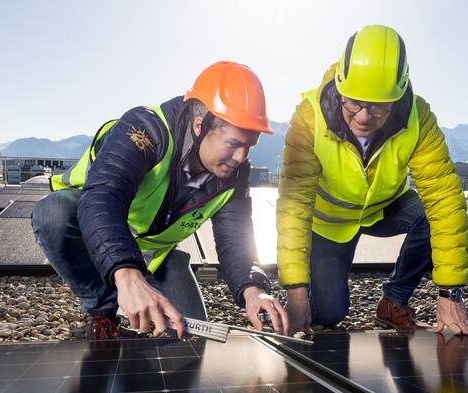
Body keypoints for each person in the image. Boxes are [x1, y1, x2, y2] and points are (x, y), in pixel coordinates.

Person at [32, 61, 288, 339]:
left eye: (249, 146)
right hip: (95, 230)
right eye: (233, 144)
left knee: (188, 337)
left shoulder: (234, 175)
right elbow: (103, 199)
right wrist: (127, 275)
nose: (240, 157)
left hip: (155, 257)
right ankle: (103, 310)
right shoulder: (145, 131)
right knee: (53, 214)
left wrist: (254, 289)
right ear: (200, 125)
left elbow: (235, 241)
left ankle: (140, 287)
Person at [277, 25, 468, 335]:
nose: (364, 117)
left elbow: (444, 199)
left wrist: (450, 292)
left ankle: (393, 302)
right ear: (340, 84)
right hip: (329, 224)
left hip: (384, 209)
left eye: (379, 106)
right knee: (328, 314)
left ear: (398, 95)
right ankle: (312, 296)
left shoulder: (418, 118)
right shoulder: (309, 118)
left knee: (429, 215)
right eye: (353, 103)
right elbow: (294, 207)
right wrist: (296, 294)